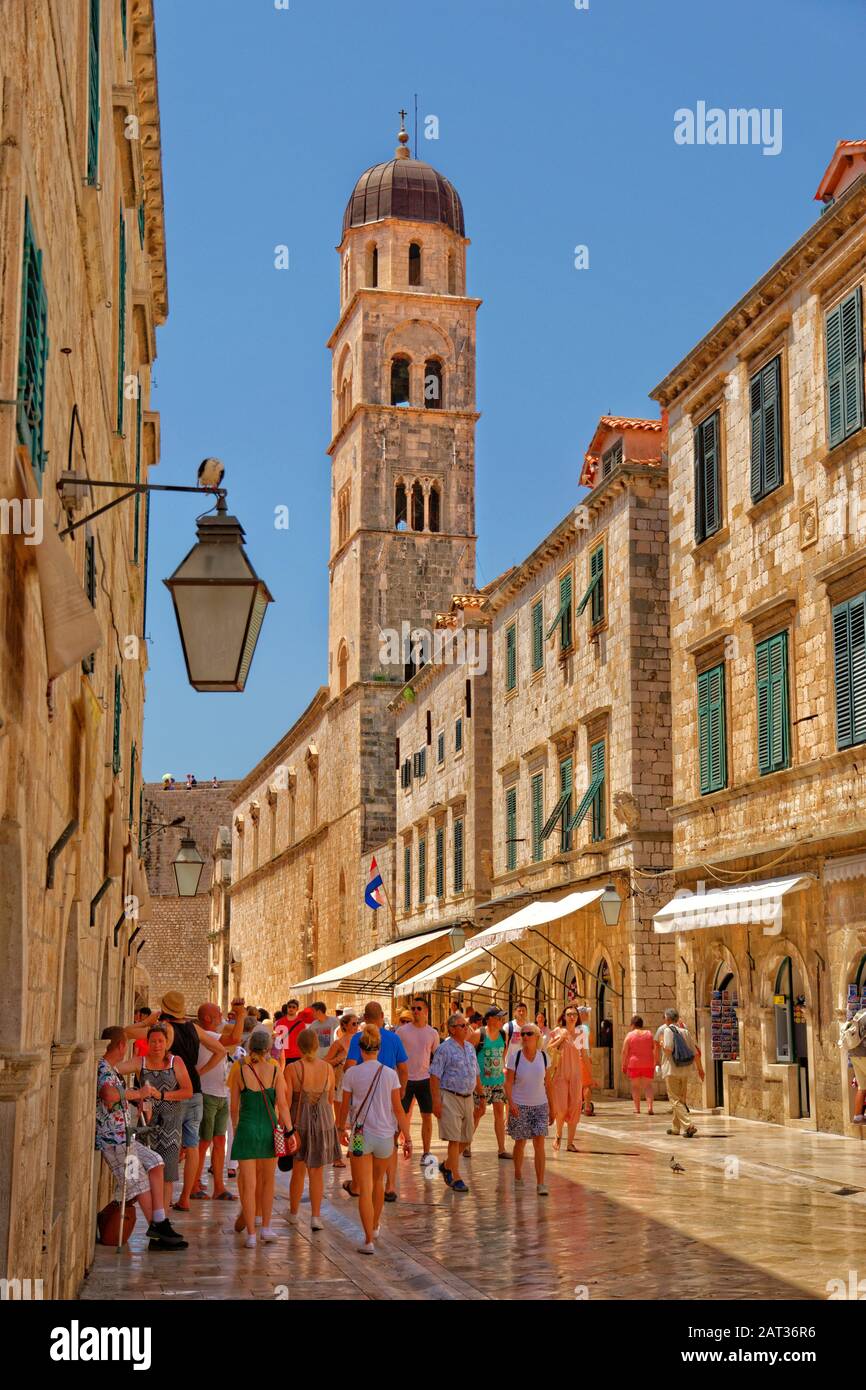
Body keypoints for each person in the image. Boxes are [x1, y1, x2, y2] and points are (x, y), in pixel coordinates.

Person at [96, 1027, 186, 1250]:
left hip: (125, 1138)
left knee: (156, 1162)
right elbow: (108, 1095)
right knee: (139, 1182)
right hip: (114, 1142)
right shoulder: (104, 1069)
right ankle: (157, 1232)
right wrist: (138, 1094)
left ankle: (160, 1221)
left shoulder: (110, 1069)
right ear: (121, 1046)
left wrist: (136, 1099)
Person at [337, 1025, 413, 1254]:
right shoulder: (390, 1074)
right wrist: (407, 1137)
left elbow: (344, 1106)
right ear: (378, 1049)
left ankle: (368, 1239)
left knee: (364, 1187)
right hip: (384, 1137)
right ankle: (376, 1224)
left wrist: (341, 1128)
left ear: (360, 1049)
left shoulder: (351, 1074)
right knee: (379, 1183)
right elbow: (399, 1110)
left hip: (360, 1136)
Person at [228, 1026, 296, 1246]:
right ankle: (266, 1227)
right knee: (268, 1181)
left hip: (247, 1128)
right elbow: (283, 1105)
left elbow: (234, 1108)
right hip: (269, 1129)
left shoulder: (239, 1069)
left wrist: (237, 1129)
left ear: (250, 1046)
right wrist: (290, 1130)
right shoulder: (276, 1070)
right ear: (268, 1048)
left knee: (248, 1185)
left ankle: (250, 1234)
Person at [117, 1024, 193, 1211]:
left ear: (167, 1043)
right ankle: (141, 1213)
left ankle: (163, 1217)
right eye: (153, 1041)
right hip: (146, 1124)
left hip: (170, 1125)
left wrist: (162, 1096)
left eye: (161, 1041)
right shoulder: (139, 1062)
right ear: (147, 1043)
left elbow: (188, 1091)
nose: (157, 1045)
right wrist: (133, 1094)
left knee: (167, 1174)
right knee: (139, 1170)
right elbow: (115, 1070)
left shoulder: (176, 1062)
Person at [343, 1001, 408, 1202]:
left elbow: (350, 1065)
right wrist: (402, 1089)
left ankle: (358, 1186)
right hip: (387, 1103)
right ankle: (389, 1186)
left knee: (358, 1148)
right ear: (381, 1016)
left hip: (362, 1116)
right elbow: (404, 1068)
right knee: (390, 1142)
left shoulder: (358, 1038)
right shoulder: (394, 1039)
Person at [285, 1028, 341, 1230]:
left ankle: (293, 1213)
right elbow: (331, 1098)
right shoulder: (327, 1068)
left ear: (299, 1046)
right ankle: (316, 1217)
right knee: (317, 1172)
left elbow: (287, 1099)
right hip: (324, 1120)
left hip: (300, 1120)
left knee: (298, 1170)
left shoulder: (293, 1069)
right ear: (317, 1046)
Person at [191, 1000, 245, 1200]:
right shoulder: (207, 1036)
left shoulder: (211, 1035)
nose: (222, 1015)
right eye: (218, 1013)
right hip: (207, 1093)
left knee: (219, 1140)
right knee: (204, 1142)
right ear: (207, 1018)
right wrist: (241, 1015)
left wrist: (240, 1015)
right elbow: (236, 1038)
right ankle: (194, 1183)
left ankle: (219, 1187)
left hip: (220, 1093)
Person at [429, 1014, 485, 1194]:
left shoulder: (469, 1047)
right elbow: (435, 1076)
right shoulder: (444, 1049)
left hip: (468, 1097)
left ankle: (446, 1165)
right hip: (450, 1096)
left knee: (467, 1138)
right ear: (452, 1029)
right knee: (454, 1139)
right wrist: (436, 1101)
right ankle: (456, 1176)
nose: (466, 1028)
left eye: (467, 1025)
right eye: (462, 1025)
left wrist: (481, 1096)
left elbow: (476, 1074)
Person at [504, 1022, 553, 1196]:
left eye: (528, 1034)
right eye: (522, 1034)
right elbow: (508, 1083)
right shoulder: (514, 1057)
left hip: (540, 1105)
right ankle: (518, 1174)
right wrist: (511, 1103)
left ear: (537, 1037)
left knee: (540, 1143)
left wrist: (552, 1108)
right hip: (520, 1105)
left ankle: (541, 1183)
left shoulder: (545, 1057)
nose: (524, 1037)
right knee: (520, 1142)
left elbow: (548, 1084)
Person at [396, 998, 440, 1163]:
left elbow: (437, 1057)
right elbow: (396, 1056)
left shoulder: (432, 1033)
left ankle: (426, 1152)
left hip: (425, 1080)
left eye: (419, 1008)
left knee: (426, 1116)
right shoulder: (401, 1032)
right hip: (405, 1080)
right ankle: (392, 1148)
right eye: (413, 1008)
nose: (415, 1011)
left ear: (426, 1011)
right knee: (400, 1116)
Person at [656, 1007, 704, 1137]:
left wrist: (661, 1043)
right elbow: (694, 1052)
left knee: (674, 1100)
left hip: (672, 1070)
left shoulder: (667, 1031)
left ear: (667, 1018)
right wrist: (700, 1069)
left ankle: (688, 1126)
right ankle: (675, 1127)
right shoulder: (685, 1032)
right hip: (685, 1069)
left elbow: (668, 1050)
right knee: (681, 1100)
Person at [548, 1006, 586, 1151]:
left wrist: (590, 1075)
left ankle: (570, 1143)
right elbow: (549, 1048)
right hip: (560, 1075)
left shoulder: (580, 1033)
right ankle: (558, 1135)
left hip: (576, 1075)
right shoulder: (558, 1031)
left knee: (575, 1107)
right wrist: (561, 1039)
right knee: (562, 1108)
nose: (572, 1017)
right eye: (569, 1014)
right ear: (564, 1016)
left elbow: (585, 1055)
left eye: (574, 1014)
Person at [473, 1008, 509, 1159]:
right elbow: (469, 1055)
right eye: (499, 1018)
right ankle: (466, 1143)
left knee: (499, 1114)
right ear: (489, 1019)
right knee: (478, 1113)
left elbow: (503, 1054)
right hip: (481, 1082)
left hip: (498, 1081)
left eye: (502, 1018)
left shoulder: (503, 1034)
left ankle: (501, 1149)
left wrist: (501, 1069)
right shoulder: (478, 1035)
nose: (502, 1020)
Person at [324, 1012, 358, 1164]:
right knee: (339, 1123)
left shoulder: (360, 1041)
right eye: (353, 1024)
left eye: (357, 1023)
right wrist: (339, 1059)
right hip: (341, 1085)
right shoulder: (338, 1044)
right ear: (344, 1026)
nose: (356, 1026)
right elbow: (325, 1062)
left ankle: (355, 1151)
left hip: (357, 1086)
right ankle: (337, 1157)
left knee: (358, 1121)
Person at [621, 1015, 656, 1115]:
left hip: (634, 1063)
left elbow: (624, 1051)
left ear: (632, 1025)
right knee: (648, 1086)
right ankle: (650, 1107)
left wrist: (623, 1064)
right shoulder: (649, 1034)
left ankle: (637, 1109)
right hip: (648, 1063)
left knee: (635, 1086)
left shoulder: (630, 1035)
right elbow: (654, 1048)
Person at [576, 1005, 595, 1114]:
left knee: (577, 1084)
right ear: (581, 1015)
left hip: (574, 1058)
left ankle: (578, 1105)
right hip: (584, 1057)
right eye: (586, 1013)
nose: (588, 1015)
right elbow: (591, 1042)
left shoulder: (573, 1027)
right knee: (587, 1084)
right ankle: (587, 1106)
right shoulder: (585, 1028)